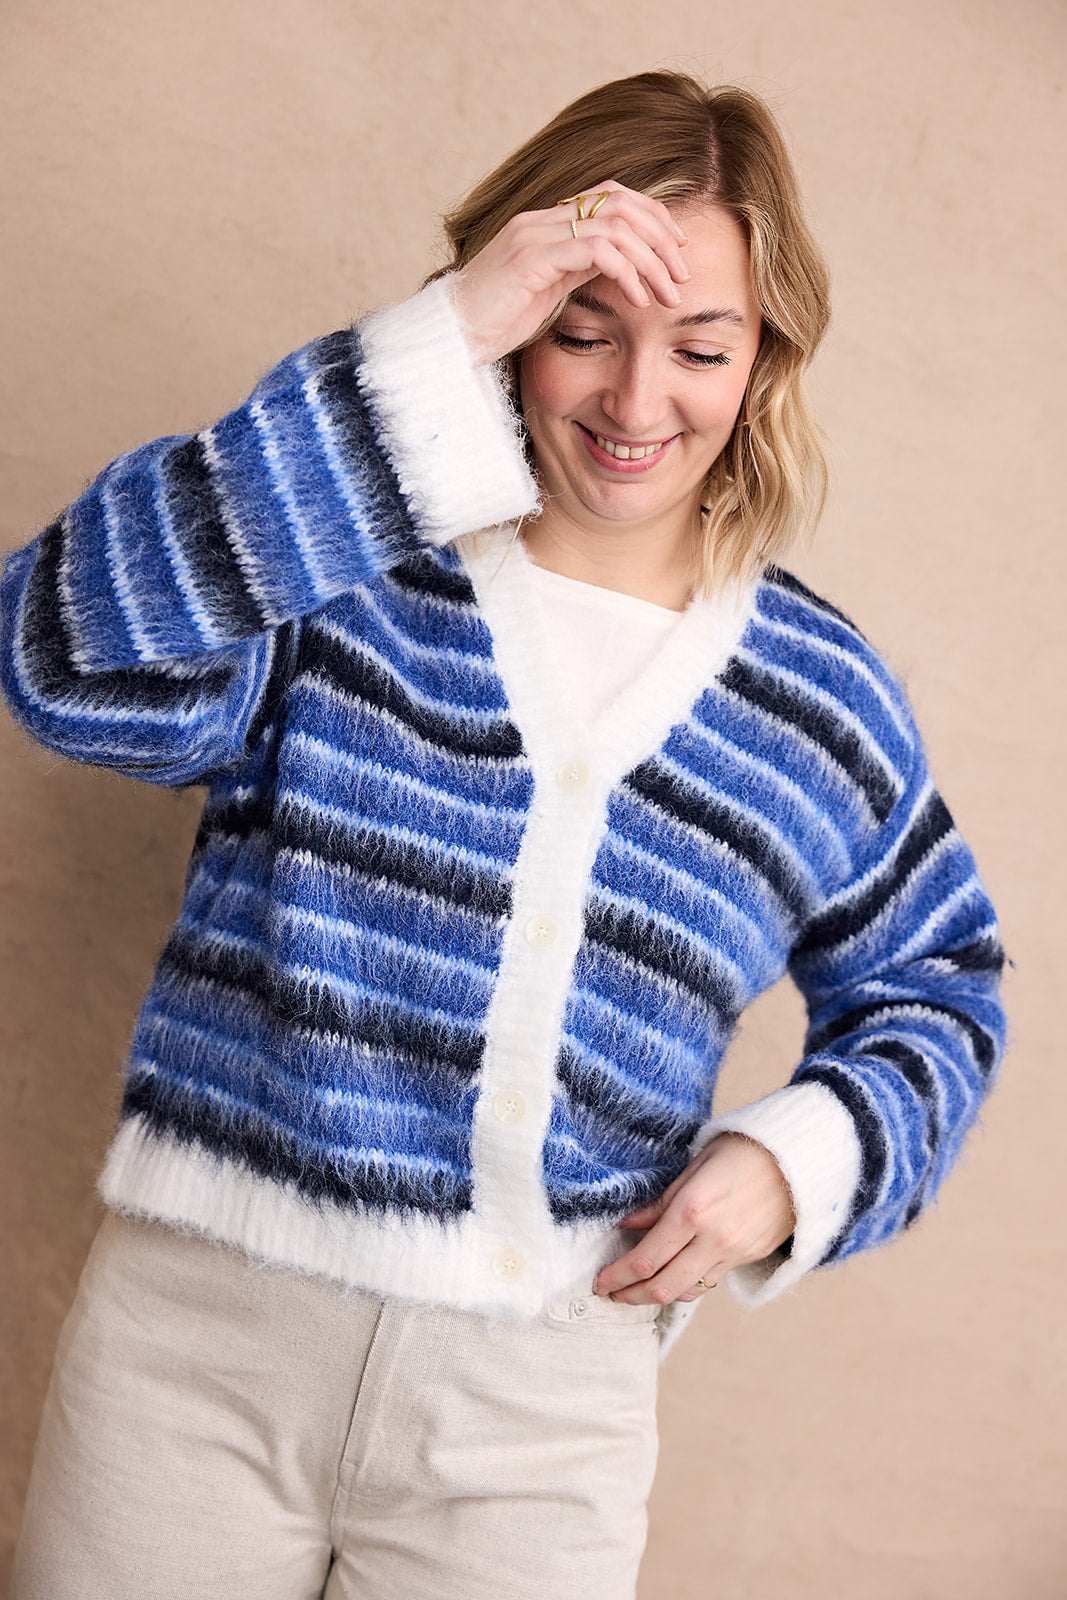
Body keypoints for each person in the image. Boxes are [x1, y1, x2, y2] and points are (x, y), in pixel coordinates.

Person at [3, 69, 1004, 1600]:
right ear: (510, 318)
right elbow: (60, 654)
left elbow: (941, 988)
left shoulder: (817, 701)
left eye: (701, 346)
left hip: (541, 1414)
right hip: (193, 1355)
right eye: (583, 328)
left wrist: (793, 1167)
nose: (635, 402)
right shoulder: (337, 564)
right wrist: (422, 355)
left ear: (766, 358)